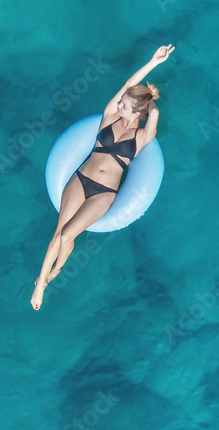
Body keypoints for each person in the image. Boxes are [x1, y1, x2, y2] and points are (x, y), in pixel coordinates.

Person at [31, 44, 175, 310]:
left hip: (104, 193)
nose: (118, 104)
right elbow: (128, 84)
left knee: (67, 237)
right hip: (80, 178)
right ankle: (41, 284)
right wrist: (154, 62)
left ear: (137, 113)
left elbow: (153, 112)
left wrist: (148, 99)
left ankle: (57, 270)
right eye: (120, 103)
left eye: (125, 105)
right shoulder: (109, 117)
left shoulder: (143, 137)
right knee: (58, 234)